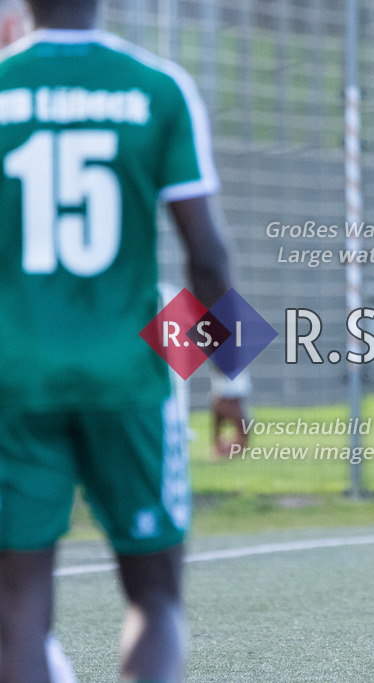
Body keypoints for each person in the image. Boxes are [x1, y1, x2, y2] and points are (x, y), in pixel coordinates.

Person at [0, 1, 247, 680]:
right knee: (156, 596)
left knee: (16, 607)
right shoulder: (157, 87)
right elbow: (208, 257)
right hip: (130, 377)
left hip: (14, 379)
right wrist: (232, 378)